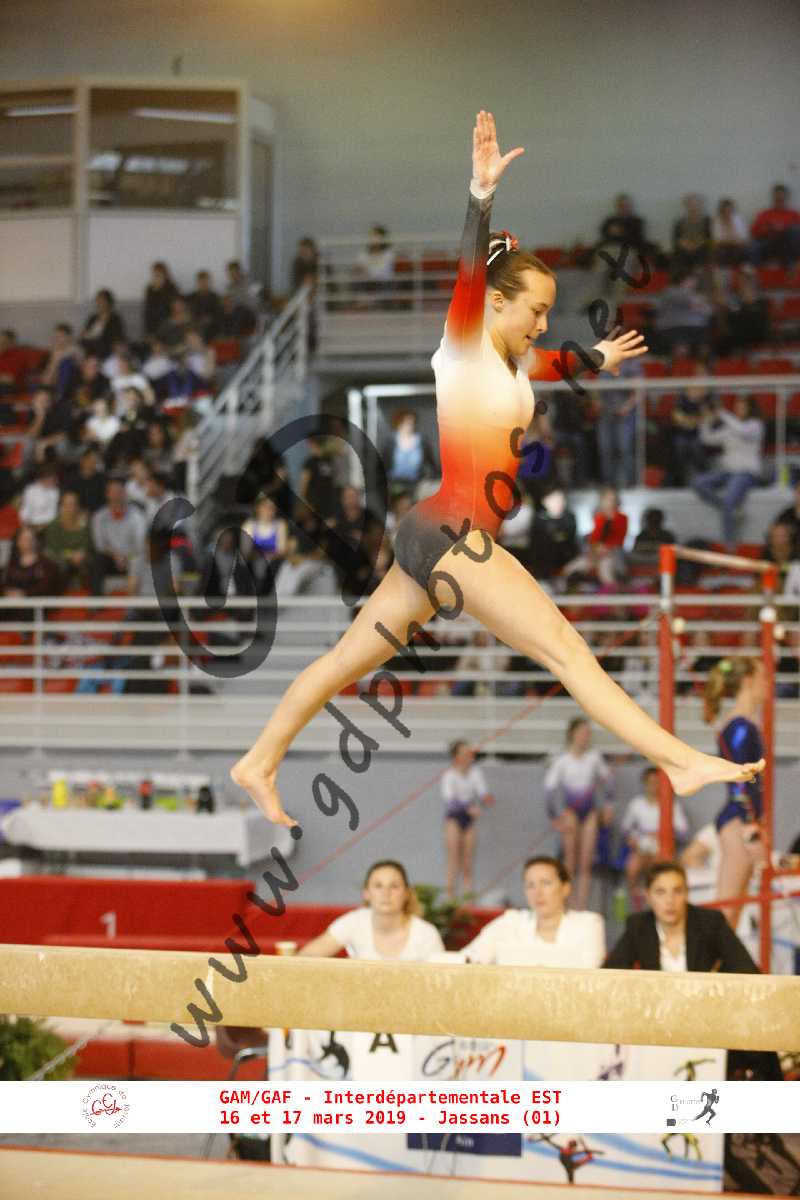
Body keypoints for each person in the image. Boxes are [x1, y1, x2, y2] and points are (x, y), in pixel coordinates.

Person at [231, 110, 765, 829]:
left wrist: (597, 357)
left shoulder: (512, 359)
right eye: (535, 311)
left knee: (343, 663)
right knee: (568, 652)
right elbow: (468, 273)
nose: (542, 324)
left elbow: (549, 361)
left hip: (432, 533)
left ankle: (258, 760)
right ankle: (680, 762)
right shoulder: (462, 342)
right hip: (455, 539)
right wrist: (480, 195)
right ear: (496, 300)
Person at [604, 861, 782, 1080]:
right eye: (660, 892)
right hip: (658, 1021)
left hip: (707, 1017)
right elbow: (609, 976)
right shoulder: (638, 926)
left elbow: (747, 971)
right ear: (648, 896)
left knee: (758, 1023)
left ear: (687, 893)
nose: (670, 901)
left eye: (677, 891)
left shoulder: (710, 922)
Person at [703, 657, 767, 926]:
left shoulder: (744, 725)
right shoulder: (740, 726)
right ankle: (703, 955)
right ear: (748, 681)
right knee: (726, 913)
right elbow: (741, 779)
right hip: (739, 822)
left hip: (742, 820)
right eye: (764, 678)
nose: (768, 684)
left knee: (733, 914)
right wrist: (751, 829)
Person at [458, 855, 605, 966]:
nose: (537, 892)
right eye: (530, 885)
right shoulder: (510, 922)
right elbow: (466, 959)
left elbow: (590, 971)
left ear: (565, 888)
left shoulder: (588, 924)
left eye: (546, 883)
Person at [299, 860, 444, 960]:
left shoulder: (427, 934)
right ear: (366, 893)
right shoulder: (353, 922)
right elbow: (305, 958)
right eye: (378, 886)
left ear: (406, 893)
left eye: (394, 886)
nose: (386, 893)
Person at [544, 718, 613, 910]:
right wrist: (554, 817)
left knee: (586, 862)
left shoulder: (594, 758)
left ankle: (581, 906)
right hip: (571, 813)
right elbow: (549, 790)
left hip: (589, 812)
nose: (585, 736)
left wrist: (609, 806)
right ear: (572, 734)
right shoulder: (562, 760)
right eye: (582, 733)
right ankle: (568, 904)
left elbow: (609, 781)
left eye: (588, 733)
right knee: (570, 861)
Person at [694, 395, 764, 549]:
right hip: (728, 473)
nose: (739, 410)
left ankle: (729, 545)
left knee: (729, 501)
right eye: (737, 407)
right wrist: (706, 420)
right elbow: (707, 439)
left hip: (746, 473)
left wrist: (721, 413)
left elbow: (742, 431)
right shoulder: (730, 427)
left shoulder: (755, 425)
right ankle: (729, 508)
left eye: (742, 407)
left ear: (750, 409)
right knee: (698, 483)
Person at [620, 766, 689, 908]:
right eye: (650, 783)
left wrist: (662, 834)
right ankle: (637, 904)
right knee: (632, 867)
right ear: (645, 784)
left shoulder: (671, 805)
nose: (654, 787)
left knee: (661, 868)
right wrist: (633, 839)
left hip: (662, 849)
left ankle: (657, 904)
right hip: (641, 849)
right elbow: (625, 829)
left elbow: (683, 831)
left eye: (657, 783)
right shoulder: (636, 804)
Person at [440, 740, 494, 898]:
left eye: (469, 753)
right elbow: (450, 801)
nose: (468, 756)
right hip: (454, 818)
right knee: (453, 860)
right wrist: (468, 808)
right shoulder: (449, 775)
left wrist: (486, 798)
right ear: (456, 757)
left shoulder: (475, 773)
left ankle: (468, 900)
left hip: (469, 819)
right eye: (464, 753)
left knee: (468, 863)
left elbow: (482, 792)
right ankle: (450, 897)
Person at [594, 356, 644, 489]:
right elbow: (596, 388)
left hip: (625, 414)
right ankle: (609, 485)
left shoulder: (632, 364)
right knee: (605, 449)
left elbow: (638, 391)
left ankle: (629, 484)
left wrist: (626, 408)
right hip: (606, 414)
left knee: (624, 449)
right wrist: (598, 402)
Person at [42, 490, 92, 590]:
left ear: (78, 507)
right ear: (61, 507)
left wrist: (81, 553)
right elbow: (53, 549)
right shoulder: (54, 526)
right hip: (60, 560)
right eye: (67, 505)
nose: (70, 508)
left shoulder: (85, 525)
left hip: (81, 559)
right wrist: (70, 555)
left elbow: (87, 545)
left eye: (73, 504)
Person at [749, 184, 800, 268]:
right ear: (773, 198)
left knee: (794, 229)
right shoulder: (765, 214)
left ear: (786, 198)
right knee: (753, 246)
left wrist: (784, 229)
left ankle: (792, 265)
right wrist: (769, 228)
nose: (779, 201)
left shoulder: (793, 214)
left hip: (786, 244)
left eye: (781, 199)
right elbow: (754, 231)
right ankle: (757, 271)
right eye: (777, 199)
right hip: (769, 242)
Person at [80, 289, 126, 361]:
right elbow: (84, 334)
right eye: (98, 301)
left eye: (102, 301)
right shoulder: (93, 318)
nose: (99, 303)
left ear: (109, 302)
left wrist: (95, 337)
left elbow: (117, 338)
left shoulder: (115, 319)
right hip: (90, 347)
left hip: (106, 348)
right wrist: (87, 335)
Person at [671, 194, 712, 275]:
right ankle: (683, 277)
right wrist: (686, 245)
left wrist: (695, 245)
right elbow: (677, 239)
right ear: (686, 206)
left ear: (700, 205)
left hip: (701, 248)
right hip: (684, 248)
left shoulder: (707, 221)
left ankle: (698, 276)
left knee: (702, 253)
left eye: (695, 204)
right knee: (679, 254)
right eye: (690, 205)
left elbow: (707, 237)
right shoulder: (679, 222)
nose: (693, 207)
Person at [143, 262, 179, 339]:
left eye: (159, 275)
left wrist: (161, 290)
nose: (156, 277)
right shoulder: (150, 289)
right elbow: (148, 311)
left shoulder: (172, 288)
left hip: (168, 323)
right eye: (154, 275)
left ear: (165, 275)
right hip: (153, 325)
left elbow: (172, 308)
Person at [711, 199, 749, 268]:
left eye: (730, 210)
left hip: (737, 245)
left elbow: (744, 237)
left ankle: (739, 270)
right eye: (725, 210)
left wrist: (737, 241)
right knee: (721, 252)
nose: (727, 213)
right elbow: (717, 240)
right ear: (721, 211)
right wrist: (732, 241)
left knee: (740, 251)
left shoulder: (738, 219)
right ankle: (724, 271)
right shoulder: (717, 221)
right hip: (723, 246)